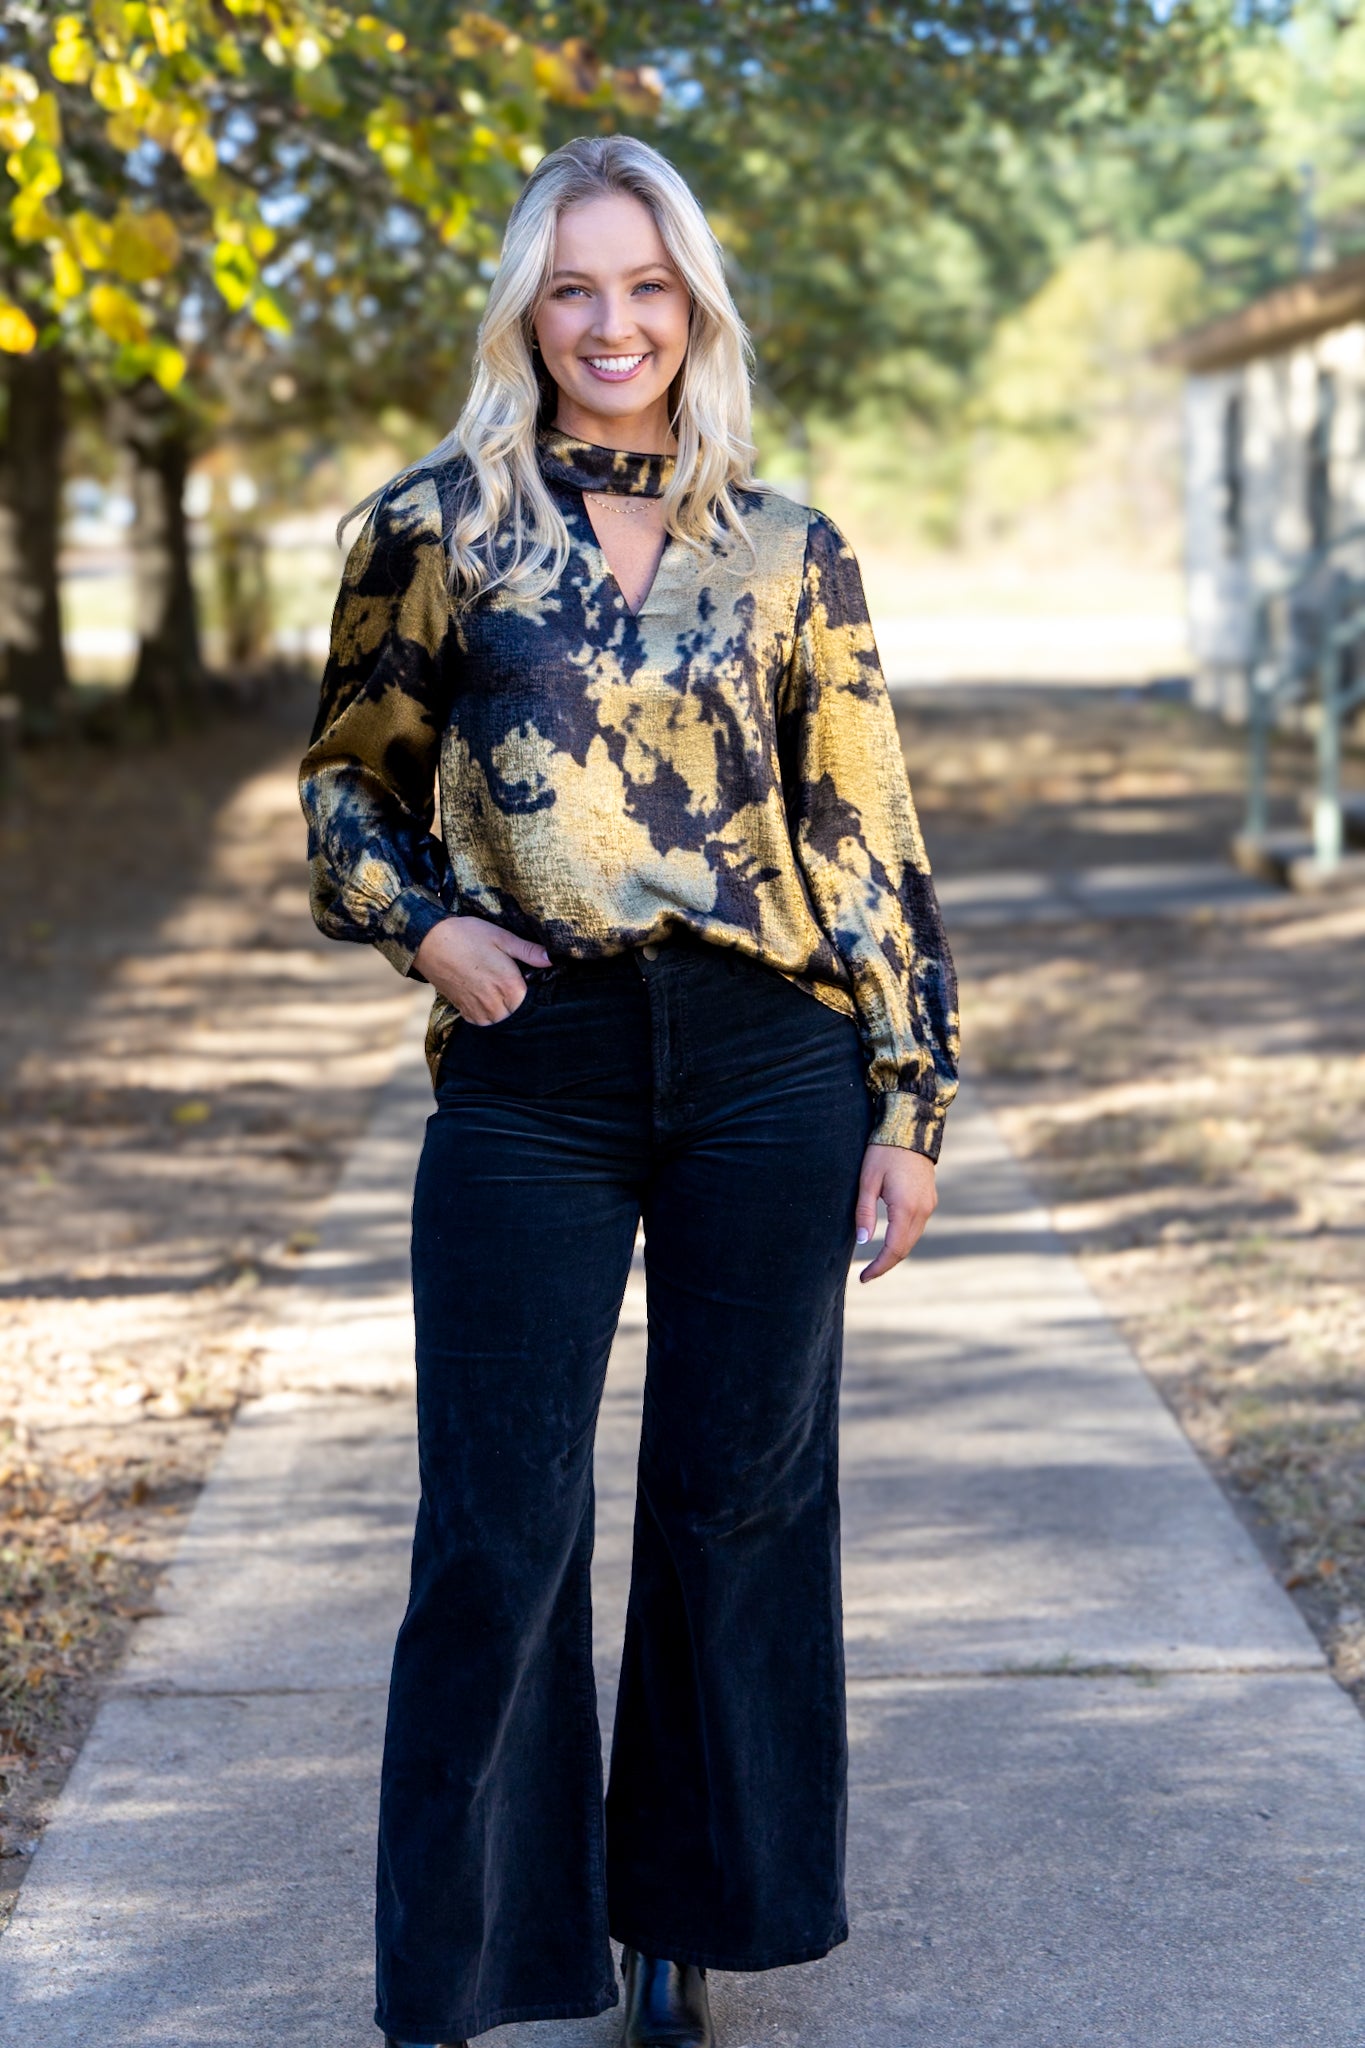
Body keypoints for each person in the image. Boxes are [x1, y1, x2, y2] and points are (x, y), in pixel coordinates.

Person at [299, 132, 958, 2048]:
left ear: (694, 310)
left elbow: (867, 841)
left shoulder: (788, 546)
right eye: (575, 287)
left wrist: (907, 1106)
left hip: (770, 1061)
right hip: (536, 1060)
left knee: (734, 1501)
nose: (612, 325)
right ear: (528, 306)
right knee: (498, 1525)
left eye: (647, 289)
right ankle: (458, 1974)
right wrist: (428, 931)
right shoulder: (433, 529)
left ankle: (684, 1936)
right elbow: (346, 785)